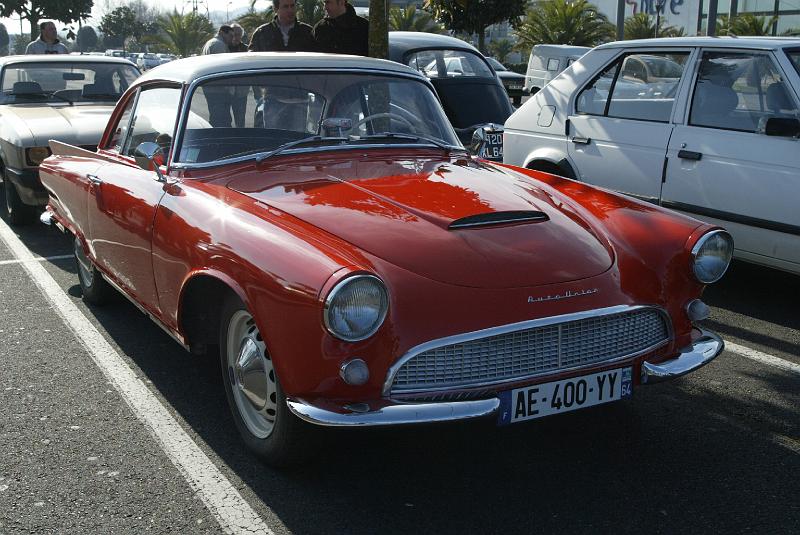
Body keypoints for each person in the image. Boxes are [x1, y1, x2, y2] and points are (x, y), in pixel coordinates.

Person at [248, 0, 316, 52]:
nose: (290, 10)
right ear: (275, 9)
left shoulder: (307, 32)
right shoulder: (261, 33)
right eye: (285, 7)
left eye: (292, 6)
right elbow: (252, 59)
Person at [202, 25, 235, 127]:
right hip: (218, 89)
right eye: (230, 35)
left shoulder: (210, 43)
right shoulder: (219, 45)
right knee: (222, 120)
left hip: (211, 87)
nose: (232, 39)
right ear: (221, 32)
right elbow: (221, 68)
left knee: (216, 117)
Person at [228, 24, 250, 128]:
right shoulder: (225, 48)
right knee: (224, 120)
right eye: (233, 35)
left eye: (238, 35)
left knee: (240, 120)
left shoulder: (246, 50)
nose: (236, 37)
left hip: (241, 91)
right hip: (226, 91)